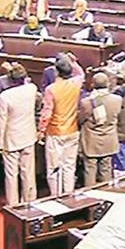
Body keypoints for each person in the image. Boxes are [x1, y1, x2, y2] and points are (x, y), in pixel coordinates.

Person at [38, 55, 85, 195]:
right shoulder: (76, 83)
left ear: (56, 72)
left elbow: (47, 113)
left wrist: (41, 130)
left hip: (55, 132)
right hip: (72, 130)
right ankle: (68, 194)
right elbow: (81, 73)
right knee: (69, 165)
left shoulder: (51, 89)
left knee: (54, 167)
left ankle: (56, 195)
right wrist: (73, 61)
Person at [0, 64, 39, 205]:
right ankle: (30, 201)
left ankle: (13, 205)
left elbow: (1, 122)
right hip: (28, 135)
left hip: (11, 139)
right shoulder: (32, 89)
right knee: (28, 172)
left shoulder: (5, 96)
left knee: (11, 175)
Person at [79, 72, 123, 186]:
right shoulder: (117, 100)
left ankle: (89, 195)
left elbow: (80, 120)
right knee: (106, 168)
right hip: (109, 140)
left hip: (91, 142)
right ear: (108, 84)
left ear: (92, 85)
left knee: (90, 169)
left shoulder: (86, 102)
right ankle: (106, 193)